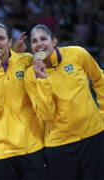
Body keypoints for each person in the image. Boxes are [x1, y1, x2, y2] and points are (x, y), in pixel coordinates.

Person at [24, 24, 104, 179]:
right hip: (59, 145)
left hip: (93, 136)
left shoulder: (77, 54)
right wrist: (42, 80)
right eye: (34, 41)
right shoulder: (30, 76)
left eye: (43, 39)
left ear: (54, 41)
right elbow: (46, 114)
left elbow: (99, 79)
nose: (39, 44)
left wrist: (102, 113)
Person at [0, 23, 45, 179]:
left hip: (31, 146)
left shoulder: (26, 60)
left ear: (9, 42)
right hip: (0, 151)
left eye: (1, 38)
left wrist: (15, 55)